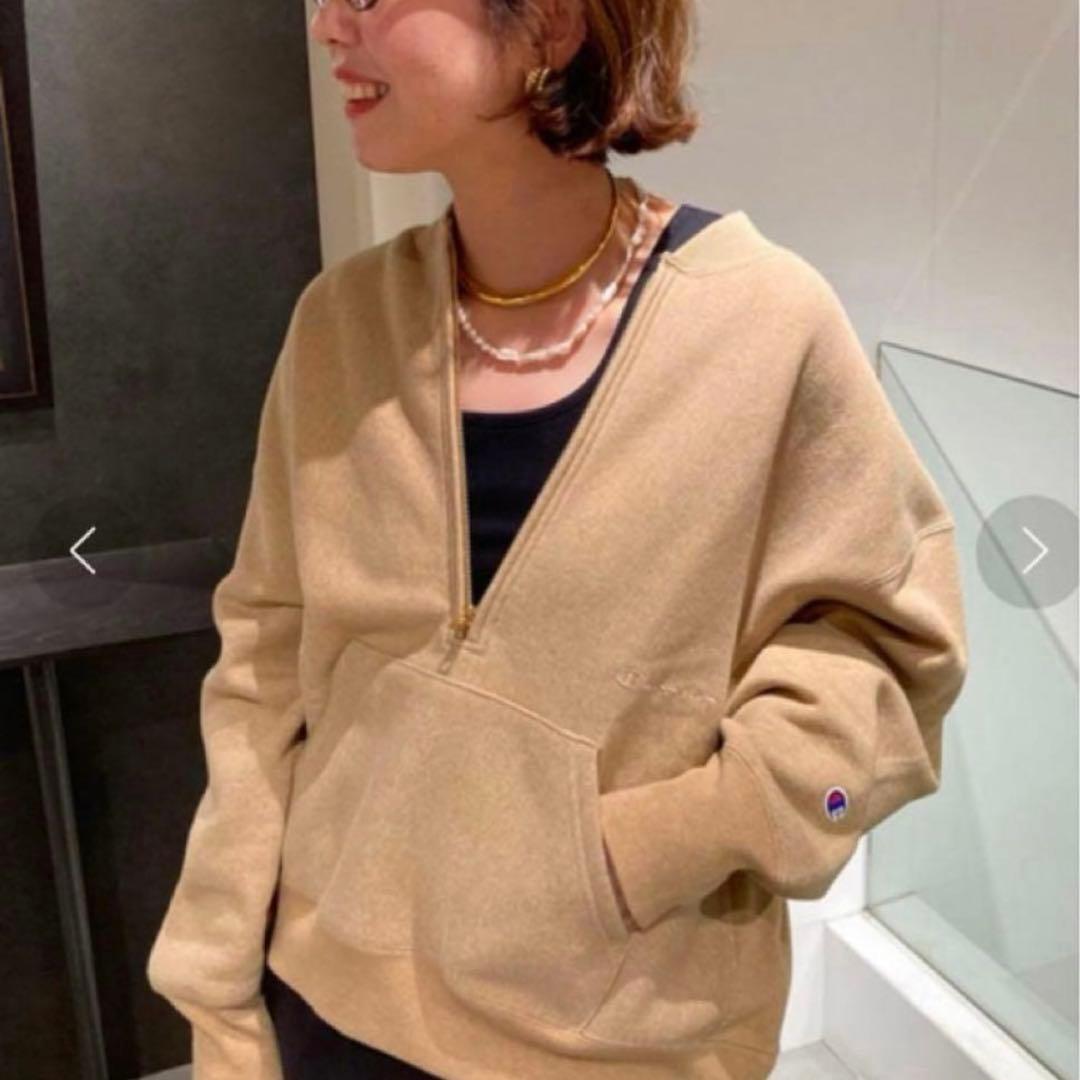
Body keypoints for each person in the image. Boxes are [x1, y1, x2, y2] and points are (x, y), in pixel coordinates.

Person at [146, 0, 970, 1077]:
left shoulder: (763, 323)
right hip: (327, 1006)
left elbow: (891, 665)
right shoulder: (340, 323)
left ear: (551, 24)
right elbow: (263, 662)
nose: (328, 25)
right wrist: (213, 972)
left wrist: (668, 843)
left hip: (616, 1037)